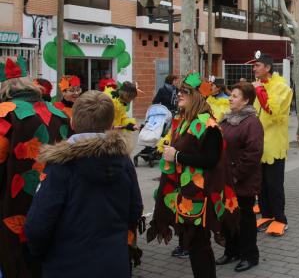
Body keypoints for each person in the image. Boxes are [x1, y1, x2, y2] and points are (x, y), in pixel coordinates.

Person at [25, 90, 143, 278]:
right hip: (113, 263)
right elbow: (135, 209)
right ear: (112, 124)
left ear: (72, 122)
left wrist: (42, 255)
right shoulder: (123, 161)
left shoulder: (60, 166)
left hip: (67, 265)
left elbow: (38, 225)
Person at [147, 72, 239, 278]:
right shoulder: (185, 121)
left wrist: (177, 155)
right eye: (179, 91)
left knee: (199, 245)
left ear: (196, 96)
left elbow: (211, 160)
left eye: (185, 92)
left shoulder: (209, 125)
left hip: (201, 196)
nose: (179, 95)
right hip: (187, 193)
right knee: (194, 243)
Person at [0, 56, 70, 278]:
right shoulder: (59, 113)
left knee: (17, 262)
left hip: (14, 207)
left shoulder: (5, 114)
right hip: (56, 203)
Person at [217, 82, 263, 273]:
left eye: (235, 96)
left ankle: (249, 255)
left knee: (244, 219)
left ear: (245, 101)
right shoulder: (227, 120)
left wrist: (236, 175)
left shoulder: (252, 122)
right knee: (228, 216)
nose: (230, 98)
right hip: (225, 178)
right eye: (231, 95)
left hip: (242, 179)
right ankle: (231, 250)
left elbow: (253, 153)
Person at [250, 52, 293, 237]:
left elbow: (273, 111)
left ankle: (280, 219)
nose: (254, 69)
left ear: (267, 68)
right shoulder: (257, 86)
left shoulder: (282, 87)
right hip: (258, 143)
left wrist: (259, 91)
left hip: (274, 144)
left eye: (257, 65)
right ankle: (266, 215)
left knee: (275, 184)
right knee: (261, 185)